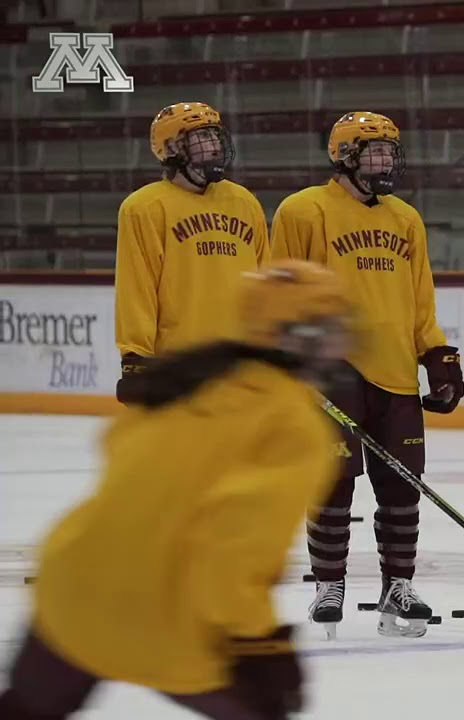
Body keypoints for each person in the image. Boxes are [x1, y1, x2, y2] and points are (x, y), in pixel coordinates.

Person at [0, 260, 352, 720]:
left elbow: (115, 445)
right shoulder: (295, 425)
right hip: (165, 624)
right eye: (330, 328)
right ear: (299, 336)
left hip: (71, 588)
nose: (340, 341)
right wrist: (259, 644)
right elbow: (233, 547)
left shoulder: (191, 378)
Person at [271, 111, 464, 639]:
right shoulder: (304, 211)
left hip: (396, 373)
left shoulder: (405, 218)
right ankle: (328, 585)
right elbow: (278, 293)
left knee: (403, 487)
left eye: (390, 152)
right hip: (332, 373)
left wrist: (438, 356)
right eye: (374, 152)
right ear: (345, 157)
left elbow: (420, 301)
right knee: (332, 483)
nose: (386, 161)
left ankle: (397, 584)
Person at [114, 101, 269, 405]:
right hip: (179, 367)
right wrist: (134, 358)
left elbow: (266, 278)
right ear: (172, 146)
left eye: (215, 136)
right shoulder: (144, 208)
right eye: (202, 137)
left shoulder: (244, 201)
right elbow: (137, 288)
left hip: (241, 366)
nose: (214, 145)